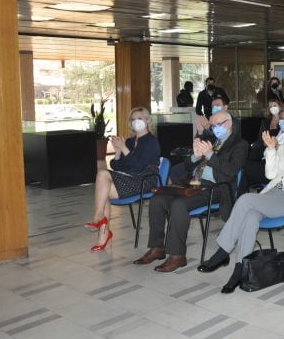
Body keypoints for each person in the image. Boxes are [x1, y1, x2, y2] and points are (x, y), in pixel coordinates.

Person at [198, 109, 284, 293]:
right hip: (272, 194)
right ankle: (240, 269)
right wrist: (272, 150)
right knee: (250, 217)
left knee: (245, 199)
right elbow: (270, 175)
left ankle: (223, 251)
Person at [133, 111, 248, 272]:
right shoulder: (211, 140)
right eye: (212, 126)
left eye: (217, 125)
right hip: (193, 183)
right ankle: (157, 248)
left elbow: (231, 171)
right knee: (157, 200)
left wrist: (210, 155)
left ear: (228, 124)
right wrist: (195, 156)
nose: (214, 129)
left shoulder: (240, 145)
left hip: (215, 188)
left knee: (179, 205)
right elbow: (187, 166)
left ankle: (178, 255)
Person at [86, 107, 160, 251]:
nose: (136, 122)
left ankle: (99, 219)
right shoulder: (131, 142)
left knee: (102, 177)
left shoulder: (152, 142)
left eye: (139, 118)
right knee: (103, 190)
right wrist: (118, 152)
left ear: (147, 120)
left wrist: (124, 148)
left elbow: (138, 166)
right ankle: (102, 234)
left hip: (144, 180)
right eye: (133, 119)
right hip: (129, 179)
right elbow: (117, 166)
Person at [241, 99, 284, 193]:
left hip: (272, 160)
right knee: (243, 164)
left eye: (274, 105)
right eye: (270, 106)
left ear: (280, 106)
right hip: (262, 151)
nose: (272, 108)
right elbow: (260, 139)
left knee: (245, 169)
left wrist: (271, 144)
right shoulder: (266, 122)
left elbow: (278, 146)